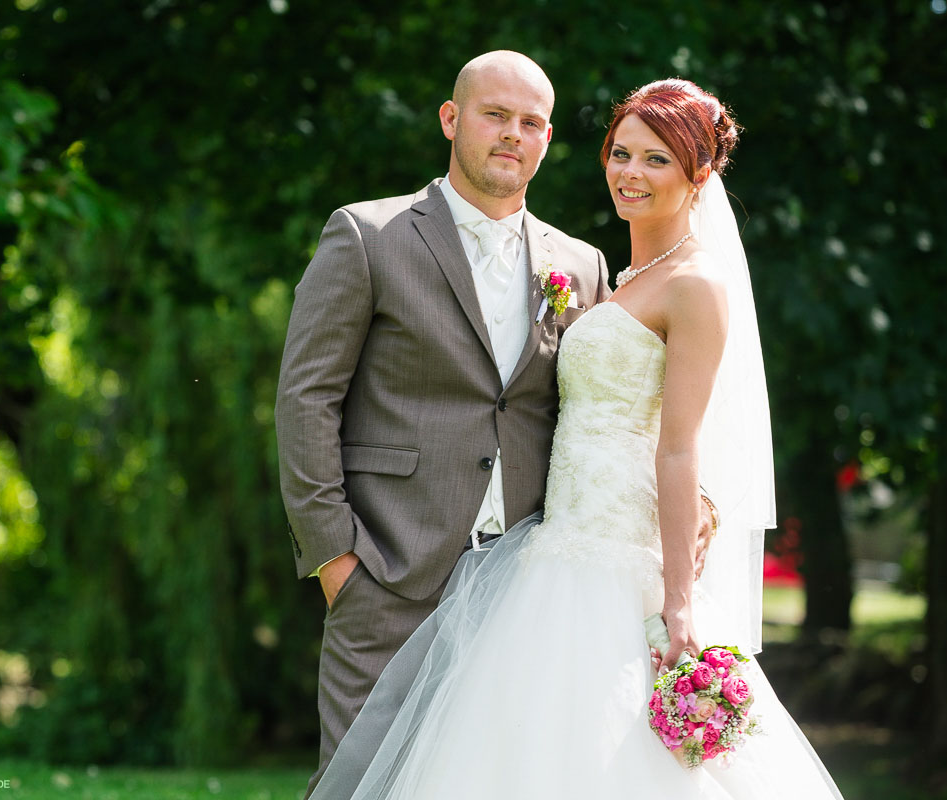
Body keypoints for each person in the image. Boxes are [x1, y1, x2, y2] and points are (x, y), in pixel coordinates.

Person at [304, 80, 844, 798]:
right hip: (539, 552)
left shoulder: (694, 285)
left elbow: (679, 444)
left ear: (700, 174)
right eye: (621, 153)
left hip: (618, 567)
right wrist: (333, 556)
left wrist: (679, 603)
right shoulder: (607, 277)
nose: (630, 172)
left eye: (657, 160)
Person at [274, 51, 706, 797]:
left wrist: (700, 502)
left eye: (531, 122)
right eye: (494, 115)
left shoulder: (583, 263)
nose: (513, 134)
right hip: (389, 573)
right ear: (451, 119)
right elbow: (306, 400)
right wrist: (336, 562)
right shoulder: (367, 236)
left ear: (547, 140)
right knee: (358, 785)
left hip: (529, 588)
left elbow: (623, 408)